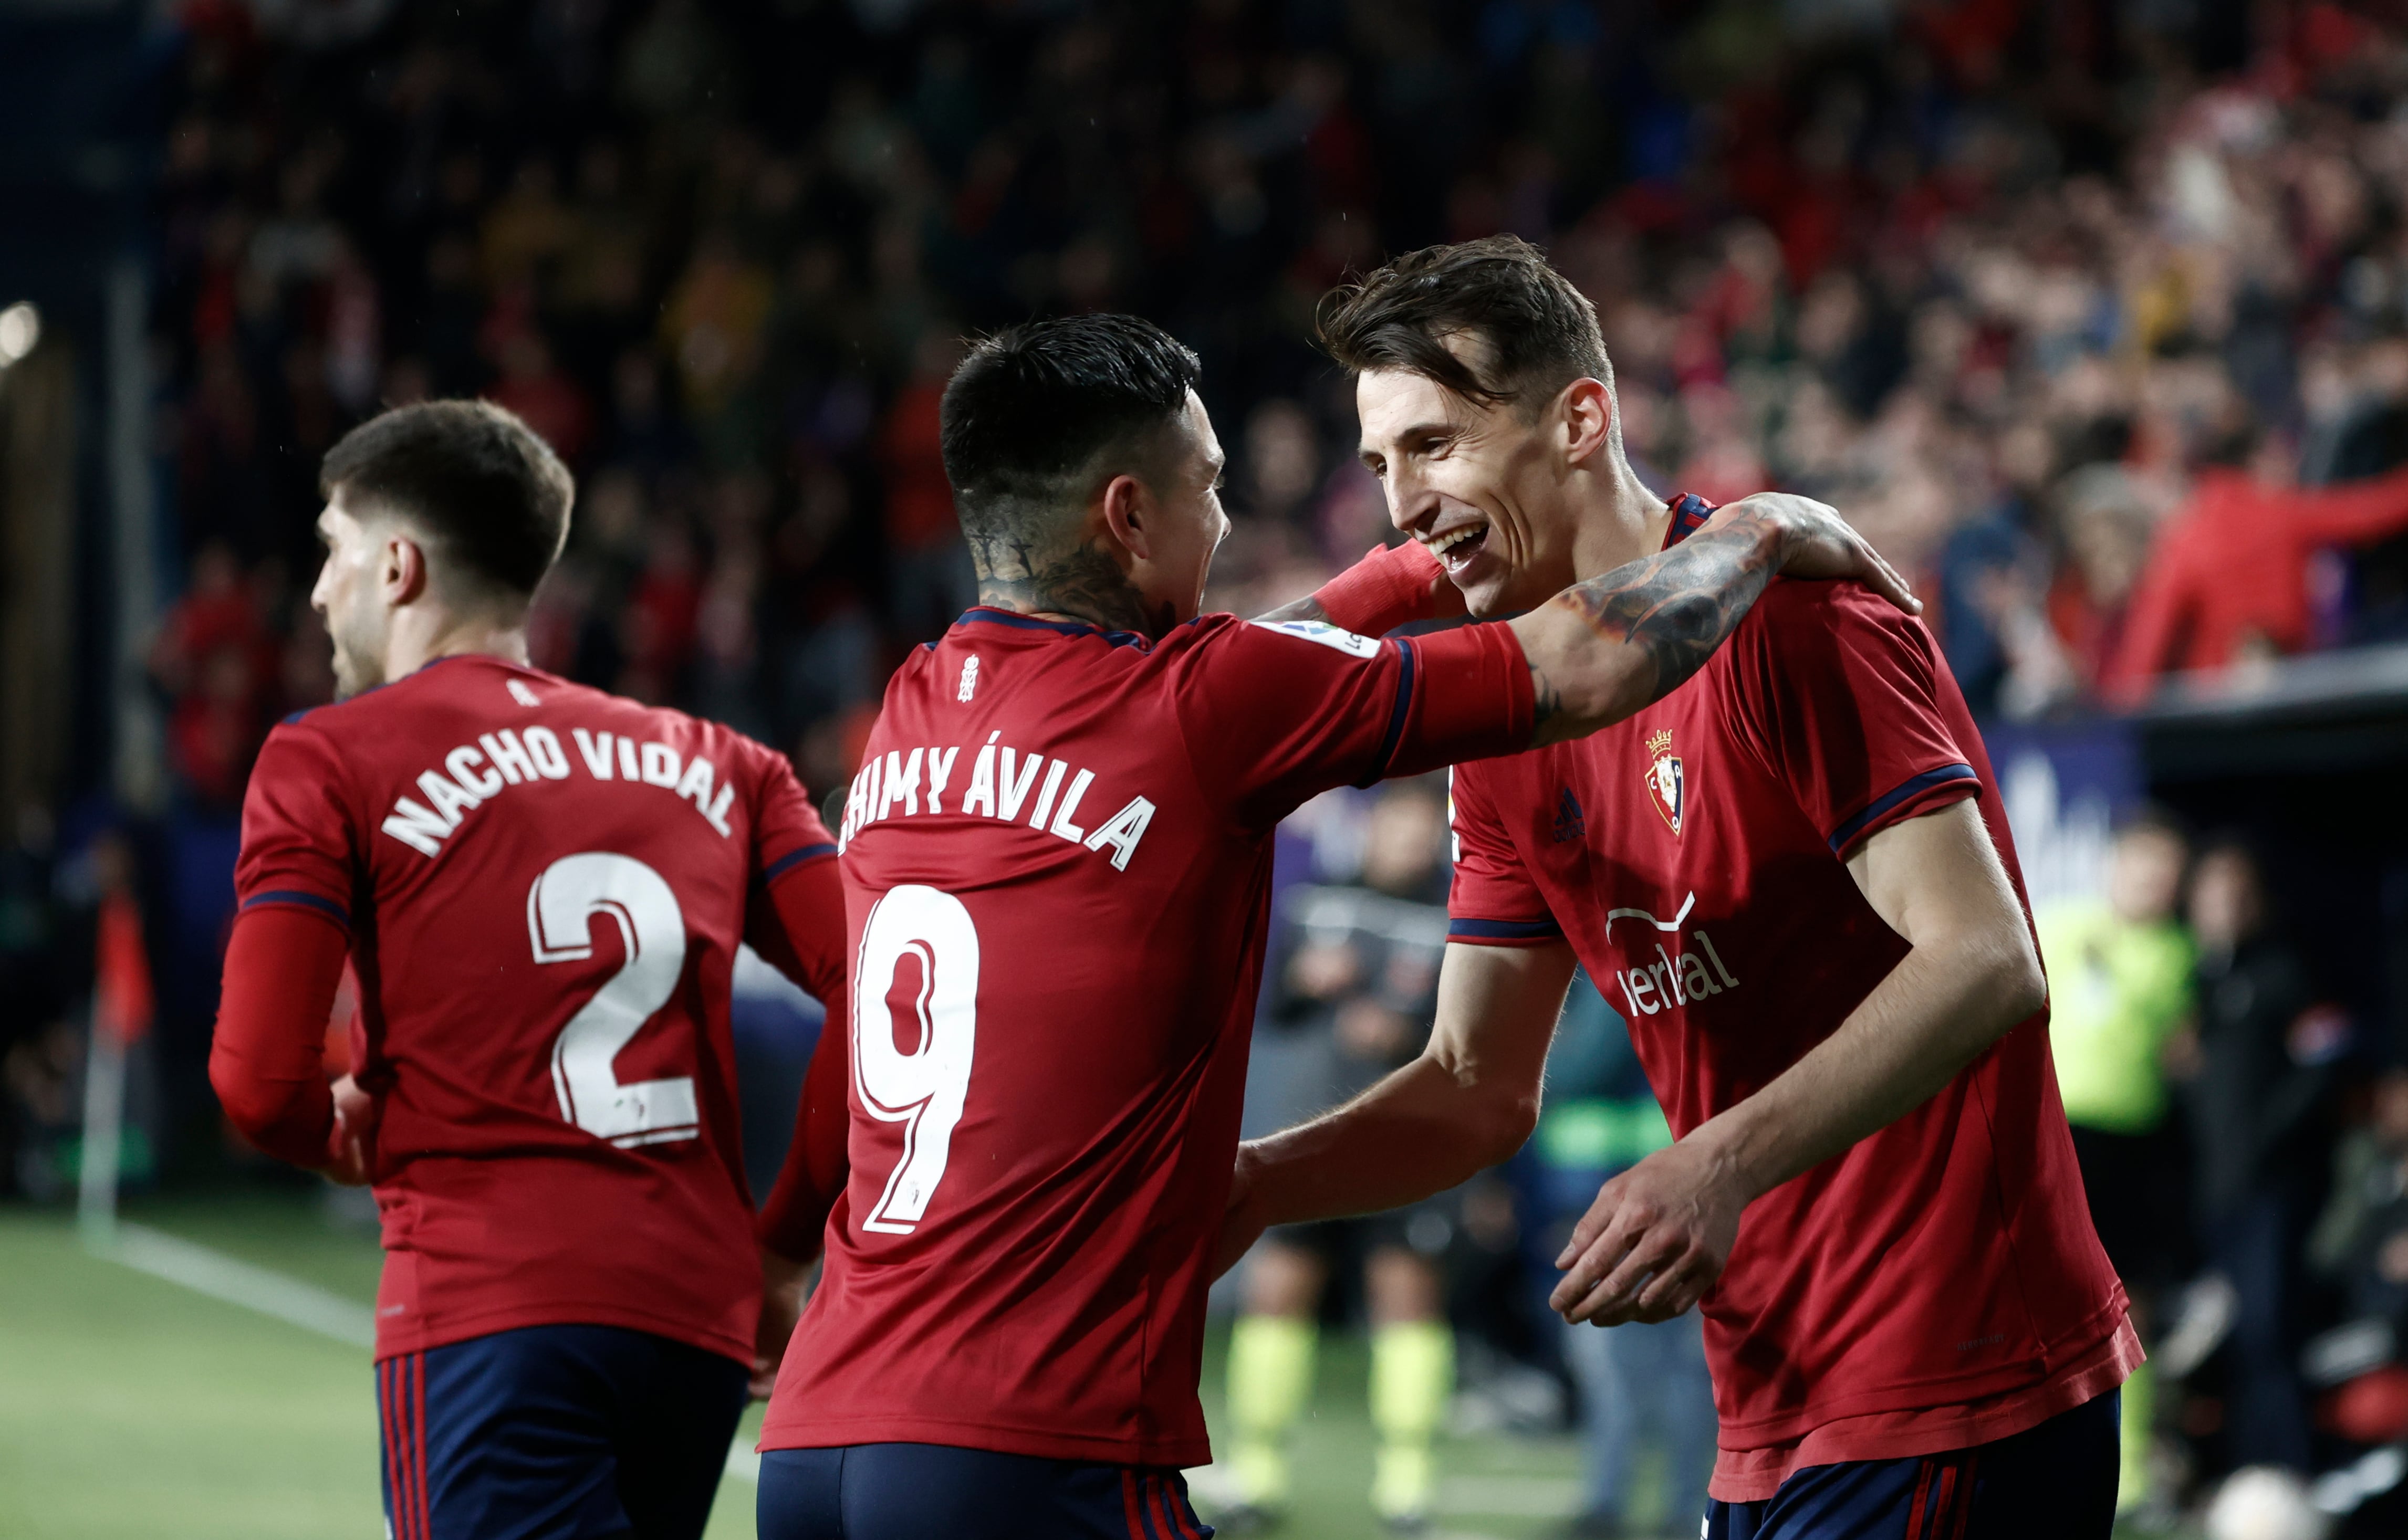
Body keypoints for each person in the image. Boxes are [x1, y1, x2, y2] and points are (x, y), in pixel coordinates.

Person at [750, 311, 1915, 1540]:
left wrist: (779, 1245)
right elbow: (1586, 669)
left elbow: (1265, 650)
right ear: (1130, 516)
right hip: (1025, 1444)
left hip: (821, 1435)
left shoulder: (913, 716)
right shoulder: (1207, 705)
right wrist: (1765, 525)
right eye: (1208, 488)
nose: (1230, 522)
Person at [1219, 236, 2134, 1540]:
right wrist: (1257, 1182)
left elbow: (1987, 959)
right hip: (1769, 1403)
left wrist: (1711, 1165)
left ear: (1581, 418)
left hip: (1960, 1381)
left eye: (1434, 446)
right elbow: (1475, 1086)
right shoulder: (1507, 725)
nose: (1402, 504)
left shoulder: (1799, 628)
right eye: (1379, 466)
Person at [207, 401, 854, 1540]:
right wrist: (787, 1236)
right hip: (692, 1318)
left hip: (489, 1300)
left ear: (397, 565)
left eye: (331, 549)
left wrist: (339, 1131)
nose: (316, 591)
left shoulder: (327, 755)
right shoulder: (731, 765)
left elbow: (259, 1083)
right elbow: (896, 987)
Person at [1223, 781, 1458, 1529]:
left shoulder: (1459, 914)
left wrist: (1411, 1031)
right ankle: (1255, 1473)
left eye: (1421, 830)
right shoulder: (1314, 899)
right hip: (1311, 1135)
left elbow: (1479, 1026)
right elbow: (1266, 1005)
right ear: (1372, 829)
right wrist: (1300, 979)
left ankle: (1407, 1485)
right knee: (1277, 1294)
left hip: (1405, 1142)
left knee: (1406, 1300)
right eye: (1396, 827)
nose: (1407, 842)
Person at [2036, 810, 2196, 1517]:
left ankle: (2128, 1476)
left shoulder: (2179, 953)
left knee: (2126, 1313)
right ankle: (2036, 1462)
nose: (2151, 885)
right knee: (2044, 1308)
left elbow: (2181, 1050)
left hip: (2136, 1154)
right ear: (2114, 866)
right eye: (2142, 868)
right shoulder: (2063, 927)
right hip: (2060, 1141)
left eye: (2165, 876)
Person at [1534, 969, 1716, 1540]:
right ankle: (1669, 1507)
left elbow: (1581, 1064)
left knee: (1629, 1364)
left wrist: (1526, 1055)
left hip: (1632, 1190)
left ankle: (1626, 1504)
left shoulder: (1623, 959)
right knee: (1673, 1364)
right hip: (1649, 1185)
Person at [2177, 838, 2340, 1472]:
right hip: (2216, 1192)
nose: (2225, 905)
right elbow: (2196, 1086)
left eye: (2237, 892)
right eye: (2213, 893)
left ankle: (2292, 1471)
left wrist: (2263, 1144)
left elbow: (2320, 1067)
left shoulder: (2283, 973)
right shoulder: (2199, 980)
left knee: (2272, 1332)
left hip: (2271, 1189)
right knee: (2237, 1337)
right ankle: (2248, 1474)